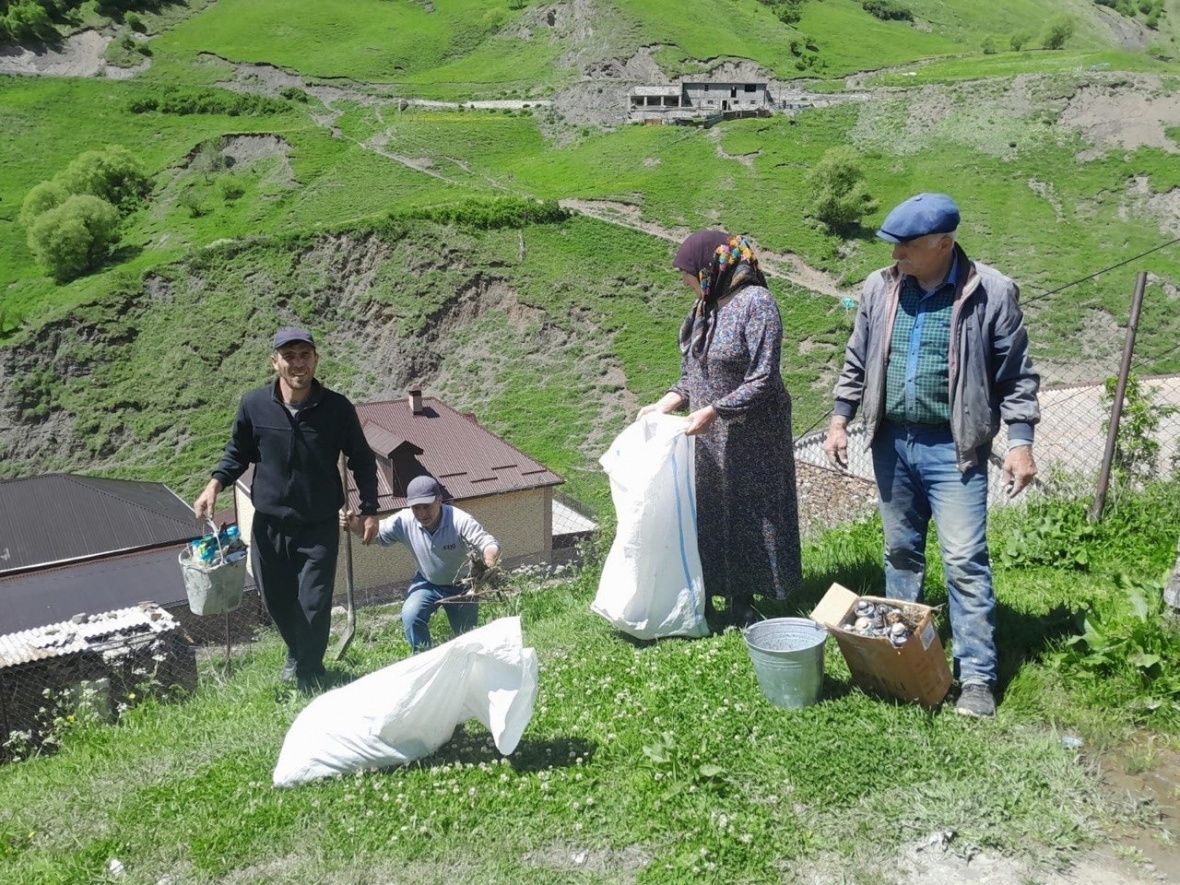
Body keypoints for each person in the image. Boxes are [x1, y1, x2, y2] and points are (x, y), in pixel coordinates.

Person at [822, 193, 1040, 718]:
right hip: (893, 442)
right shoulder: (880, 288)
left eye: (907, 247)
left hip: (954, 450)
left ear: (944, 244)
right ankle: (901, 657)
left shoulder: (991, 292)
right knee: (901, 553)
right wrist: (838, 419)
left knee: (965, 561)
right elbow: (857, 358)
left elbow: (1018, 375)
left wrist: (1020, 442)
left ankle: (978, 678)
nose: (896, 255)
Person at [193, 327, 379, 693]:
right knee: (276, 600)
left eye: (304, 355)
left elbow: (362, 459)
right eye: (289, 355)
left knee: (313, 601)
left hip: (319, 524)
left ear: (316, 360)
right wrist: (214, 484)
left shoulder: (337, 408)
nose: (298, 363)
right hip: (269, 524)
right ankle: (297, 653)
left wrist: (369, 509)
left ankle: (310, 673)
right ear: (275, 361)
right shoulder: (254, 405)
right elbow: (237, 452)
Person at [638, 230, 803, 627]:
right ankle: (707, 595)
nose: (684, 281)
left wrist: (714, 410)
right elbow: (691, 374)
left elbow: (763, 379)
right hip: (707, 433)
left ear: (712, 268)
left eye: (688, 272)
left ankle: (746, 603)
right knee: (709, 512)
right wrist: (667, 402)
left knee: (749, 513)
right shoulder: (703, 308)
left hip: (753, 433)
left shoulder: (757, 304)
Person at [343, 474, 500, 652]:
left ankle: (467, 666)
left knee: (467, 639)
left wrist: (489, 561)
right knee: (411, 616)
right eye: (416, 508)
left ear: (439, 500)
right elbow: (375, 535)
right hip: (428, 583)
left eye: (427, 507)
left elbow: (488, 543)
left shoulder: (459, 520)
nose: (422, 514)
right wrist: (355, 524)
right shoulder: (404, 520)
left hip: (463, 587)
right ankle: (423, 659)